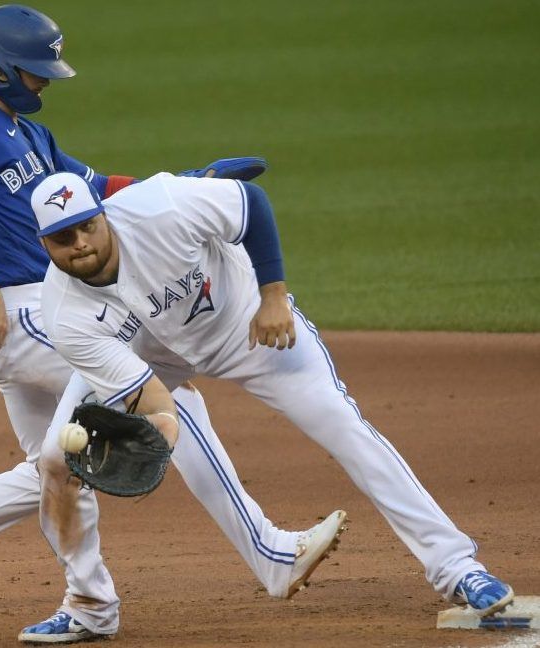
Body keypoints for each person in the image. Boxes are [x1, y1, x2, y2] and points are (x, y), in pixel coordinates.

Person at [0, 4, 344, 639]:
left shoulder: (27, 133)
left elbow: (93, 189)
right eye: (34, 72)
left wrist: (188, 181)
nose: (42, 83)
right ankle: (271, 555)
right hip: (25, 312)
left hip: (36, 312)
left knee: (58, 466)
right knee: (161, 394)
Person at [30, 170, 515, 640]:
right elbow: (152, 396)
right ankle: (255, 562)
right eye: (62, 238)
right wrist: (161, 435)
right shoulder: (65, 314)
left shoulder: (160, 206)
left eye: (86, 226)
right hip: (156, 348)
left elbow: (250, 203)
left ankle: (456, 567)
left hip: (253, 327)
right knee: (62, 456)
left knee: (342, 424)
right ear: (44, 246)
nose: (80, 243)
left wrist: (273, 296)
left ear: (104, 215)